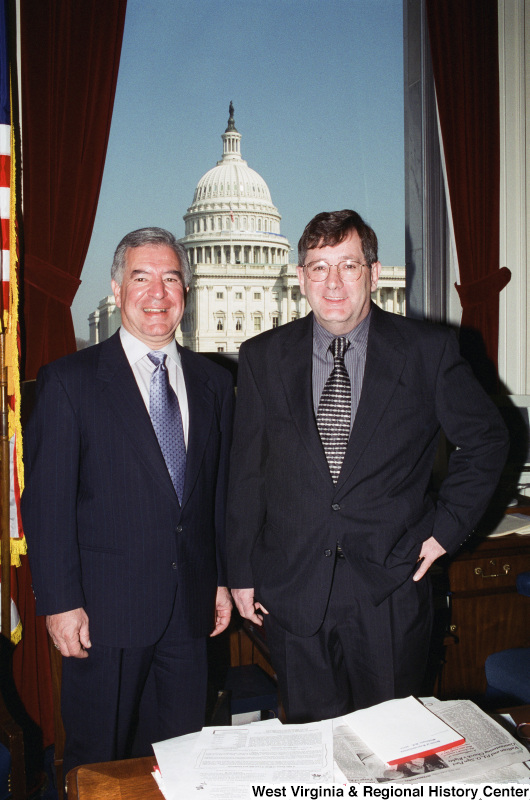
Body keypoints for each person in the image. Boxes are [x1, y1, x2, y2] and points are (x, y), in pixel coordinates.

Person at [227, 209, 509, 723]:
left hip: (391, 589)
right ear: (300, 277)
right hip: (292, 591)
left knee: (391, 752)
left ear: (373, 274)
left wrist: (445, 531)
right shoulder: (261, 357)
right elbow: (247, 474)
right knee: (313, 748)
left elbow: (487, 440)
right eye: (318, 267)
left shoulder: (427, 351)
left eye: (349, 266)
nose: (332, 283)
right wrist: (240, 571)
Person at [22, 227, 234, 774]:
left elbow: (215, 497)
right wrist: (59, 602)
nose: (157, 293)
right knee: (99, 761)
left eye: (170, 278)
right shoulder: (70, 381)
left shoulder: (214, 384)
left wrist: (221, 581)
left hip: (190, 613)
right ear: (117, 289)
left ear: (185, 291)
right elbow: (45, 503)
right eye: (142, 278)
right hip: (102, 615)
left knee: (182, 761)